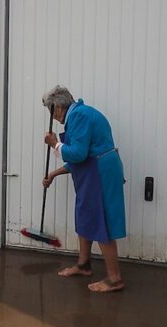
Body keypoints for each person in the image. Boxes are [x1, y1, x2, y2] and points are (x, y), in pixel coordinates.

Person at [41, 85, 126, 293]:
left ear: (59, 107)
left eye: (50, 111)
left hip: (100, 172)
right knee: (85, 215)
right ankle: (84, 265)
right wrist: (53, 174)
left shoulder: (79, 116)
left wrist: (54, 144)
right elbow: (81, 158)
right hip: (94, 169)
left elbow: (77, 154)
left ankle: (114, 279)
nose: (52, 117)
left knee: (100, 219)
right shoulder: (79, 115)